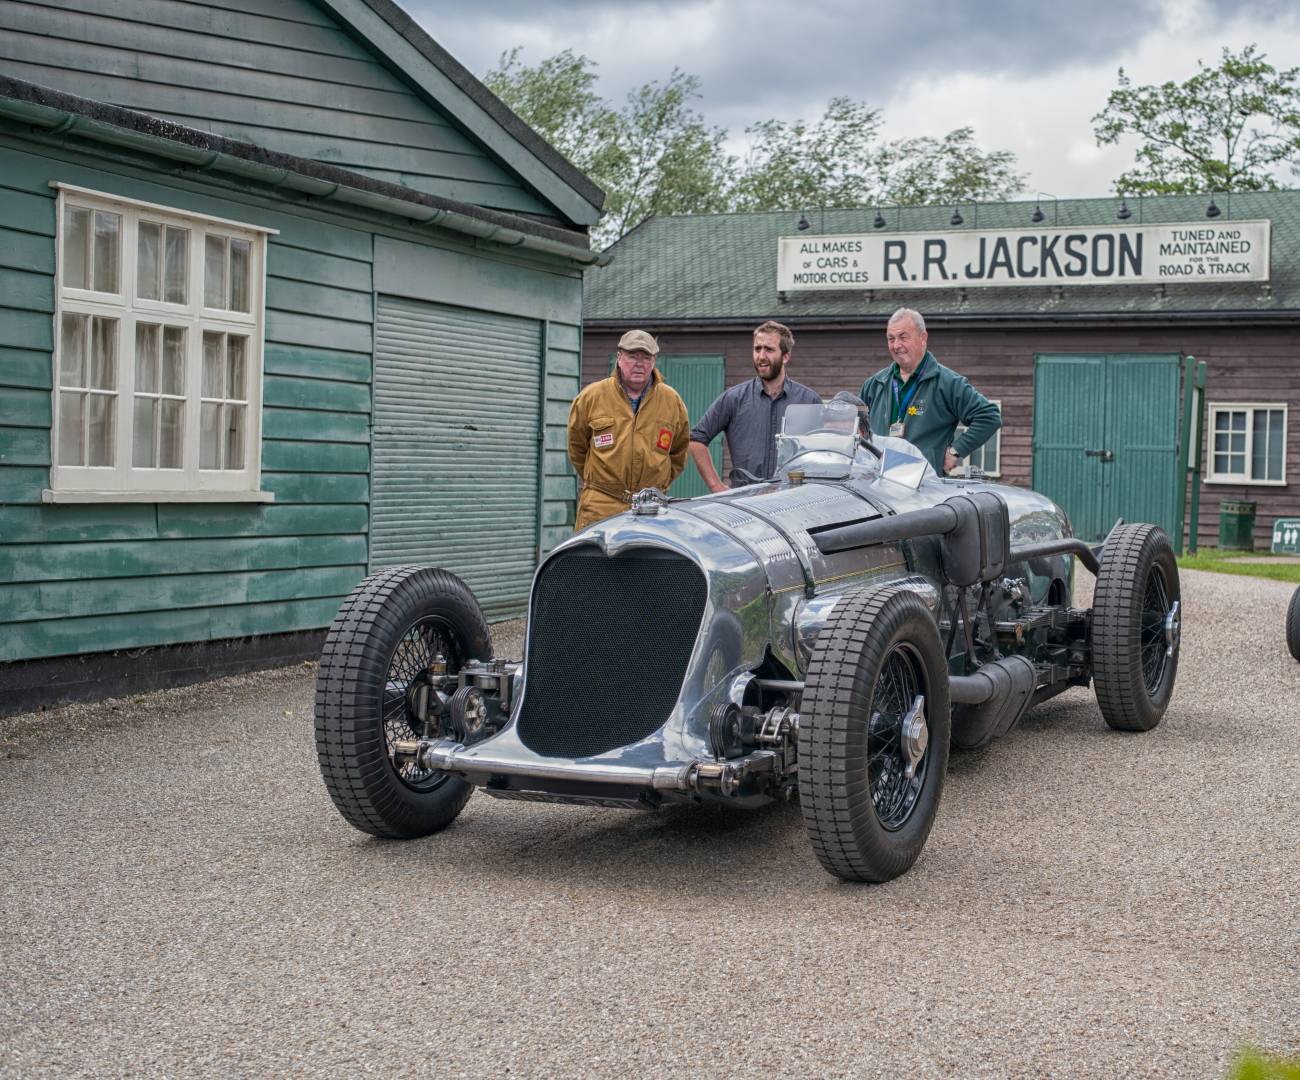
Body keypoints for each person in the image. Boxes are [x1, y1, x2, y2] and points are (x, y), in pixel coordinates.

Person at [567, 329, 690, 531]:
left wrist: (657, 484)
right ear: (619, 357)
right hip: (601, 506)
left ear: (654, 360)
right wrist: (603, 482)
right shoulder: (591, 397)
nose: (639, 363)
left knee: (647, 562)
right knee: (595, 562)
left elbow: (679, 452)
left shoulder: (671, 401)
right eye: (633, 356)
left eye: (646, 357)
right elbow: (577, 448)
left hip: (651, 508)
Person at [859, 307, 1001, 474]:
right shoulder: (875, 384)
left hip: (925, 488)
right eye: (891, 339)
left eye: (903, 337)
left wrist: (955, 452)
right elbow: (858, 427)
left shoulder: (948, 383)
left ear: (923, 338)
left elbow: (989, 416)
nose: (896, 345)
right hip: (878, 485)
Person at [688, 320, 822, 492]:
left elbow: (823, 454)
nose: (761, 356)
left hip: (791, 502)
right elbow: (697, 439)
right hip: (745, 502)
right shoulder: (734, 398)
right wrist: (716, 486)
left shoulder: (809, 401)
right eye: (757, 349)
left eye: (769, 349)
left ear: (786, 356)